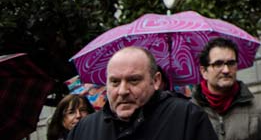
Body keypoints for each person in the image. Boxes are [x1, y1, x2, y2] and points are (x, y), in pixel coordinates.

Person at [67, 46, 216, 140]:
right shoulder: (84, 129)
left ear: (156, 80)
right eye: (115, 82)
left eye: (133, 80)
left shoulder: (188, 117)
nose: (123, 91)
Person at [191, 37, 261, 140]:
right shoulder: (190, 113)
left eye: (231, 63)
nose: (226, 70)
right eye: (218, 64)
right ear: (204, 71)